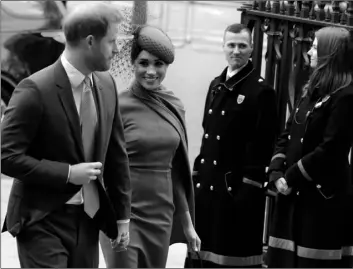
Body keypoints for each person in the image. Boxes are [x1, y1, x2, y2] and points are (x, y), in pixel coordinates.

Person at [1, 3, 131, 268]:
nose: (117, 49)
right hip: (42, 221)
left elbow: (117, 155)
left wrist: (122, 217)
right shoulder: (34, 90)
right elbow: (6, 156)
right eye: (112, 41)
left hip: (88, 219)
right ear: (91, 41)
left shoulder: (106, 85)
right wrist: (68, 173)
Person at [99, 25, 201, 268]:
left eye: (159, 64)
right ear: (132, 62)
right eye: (144, 63)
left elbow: (177, 171)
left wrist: (187, 224)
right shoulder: (116, 105)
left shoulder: (174, 105)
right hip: (123, 214)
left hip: (161, 216)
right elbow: (101, 164)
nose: (151, 71)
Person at [188, 23, 278, 268]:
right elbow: (208, 133)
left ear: (251, 49)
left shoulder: (261, 92)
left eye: (242, 46)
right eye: (231, 45)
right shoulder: (216, 84)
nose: (236, 51)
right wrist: (196, 177)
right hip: (207, 188)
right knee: (202, 255)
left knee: (229, 258)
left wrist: (245, 192)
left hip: (234, 193)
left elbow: (261, 147)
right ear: (223, 47)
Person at [266, 26, 353, 268]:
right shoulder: (312, 90)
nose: (310, 51)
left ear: (330, 53)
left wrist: (291, 177)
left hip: (322, 199)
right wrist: (276, 171)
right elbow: (287, 133)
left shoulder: (346, 96)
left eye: (316, 46)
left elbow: (331, 149)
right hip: (292, 193)